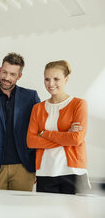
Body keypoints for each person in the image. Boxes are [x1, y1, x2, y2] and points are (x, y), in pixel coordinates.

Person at [27, 60, 88, 194]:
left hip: (73, 172)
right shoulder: (37, 108)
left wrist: (44, 133)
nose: (51, 84)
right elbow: (31, 141)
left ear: (66, 79)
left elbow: (76, 139)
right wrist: (65, 135)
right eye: (47, 79)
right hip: (46, 171)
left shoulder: (78, 104)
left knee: (76, 214)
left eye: (56, 79)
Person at [0, 53, 40, 191]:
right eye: (4, 72)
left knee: (21, 211)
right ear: (0, 70)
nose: (6, 78)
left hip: (23, 166)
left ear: (19, 76)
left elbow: (40, 130)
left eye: (12, 74)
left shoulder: (31, 97)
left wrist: (38, 166)